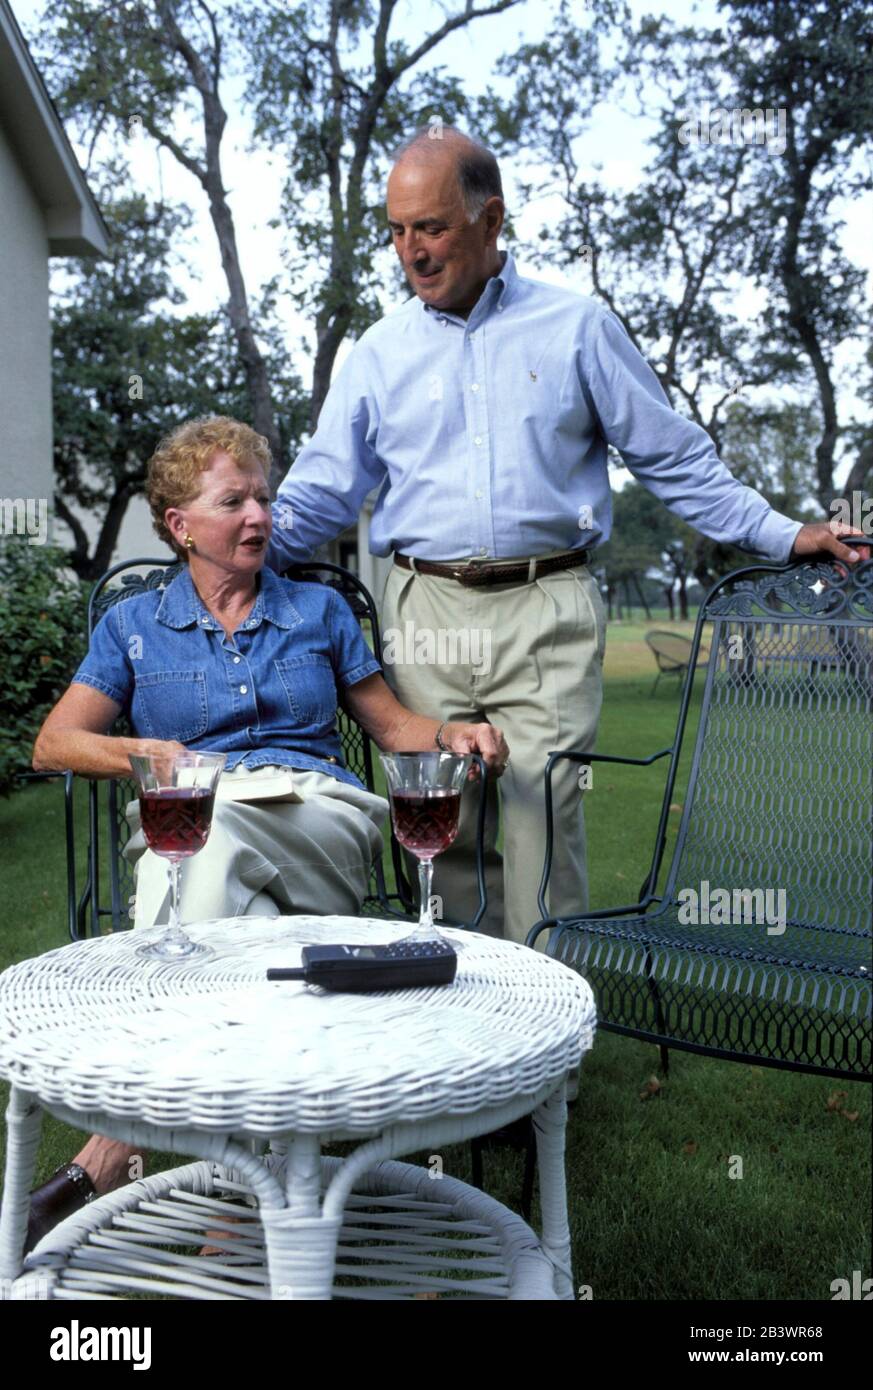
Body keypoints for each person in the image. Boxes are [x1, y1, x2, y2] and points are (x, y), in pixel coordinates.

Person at [266, 124, 870, 947]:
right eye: (397, 232)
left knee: (541, 821)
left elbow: (671, 456)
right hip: (421, 609)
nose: (413, 253)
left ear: (490, 219)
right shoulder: (377, 353)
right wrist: (222, 556)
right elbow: (320, 492)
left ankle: (550, 1063)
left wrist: (778, 532)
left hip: (547, 603)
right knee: (439, 828)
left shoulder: (577, 328)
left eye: (432, 228)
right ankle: (457, 1032)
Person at [27, 414, 508, 1250]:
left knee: (201, 856)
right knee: (245, 945)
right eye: (233, 501)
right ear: (179, 525)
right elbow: (53, 743)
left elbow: (393, 728)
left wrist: (454, 734)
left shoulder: (316, 610)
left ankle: (114, 1144)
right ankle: (242, 1208)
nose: (259, 517)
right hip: (193, 818)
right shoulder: (133, 627)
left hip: (314, 813)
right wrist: (139, 749)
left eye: (264, 498)